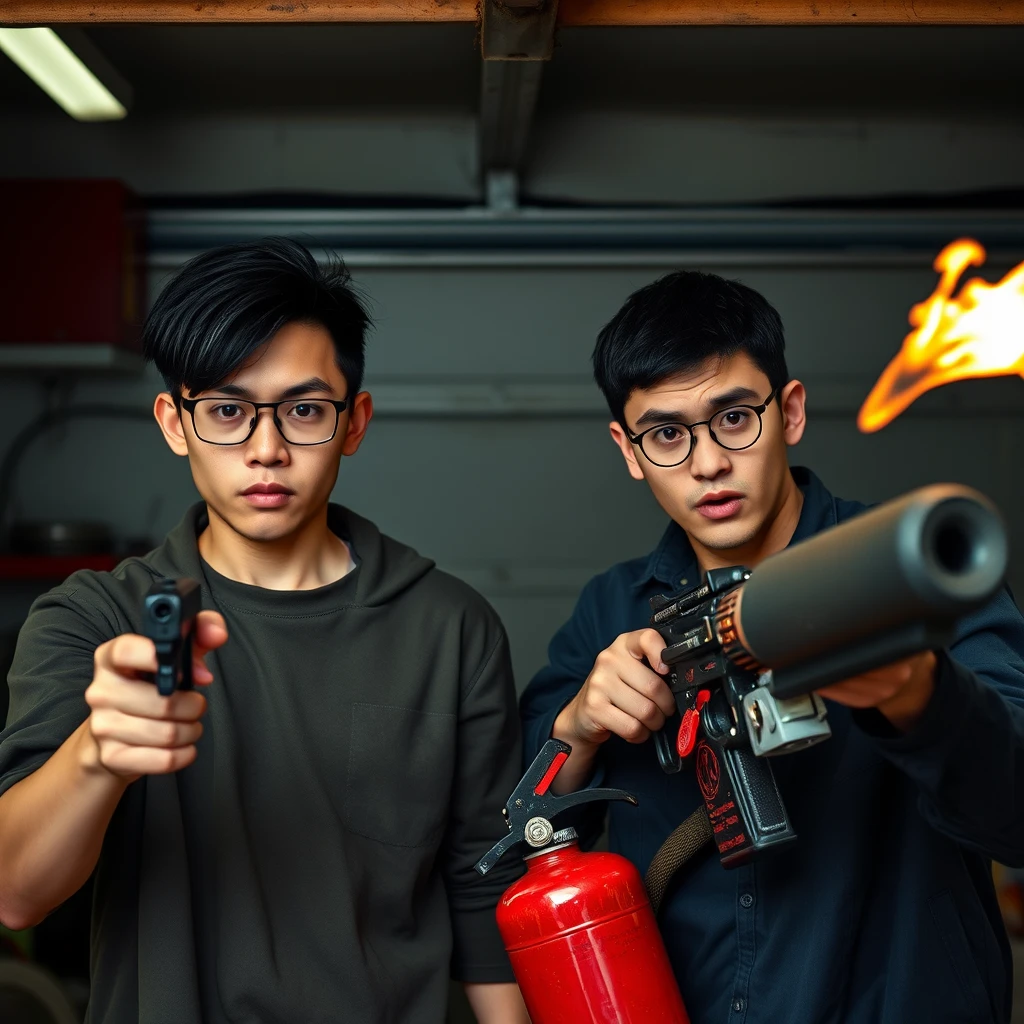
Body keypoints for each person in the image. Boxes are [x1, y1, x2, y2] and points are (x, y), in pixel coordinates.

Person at [0, 238, 529, 1024]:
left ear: (355, 423)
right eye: (226, 411)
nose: (266, 448)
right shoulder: (93, 619)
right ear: (175, 424)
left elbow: (484, 893)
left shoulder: (450, 630)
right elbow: (16, 892)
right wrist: (99, 756)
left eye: (305, 410)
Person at [520, 270, 1024, 1024]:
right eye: (666, 434)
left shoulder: (901, 576)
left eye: (733, 418)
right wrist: (577, 731)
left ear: (789, 412)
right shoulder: (611, 610)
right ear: (628, 450)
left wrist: (918, 695)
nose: (707, 463)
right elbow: (521, 831)